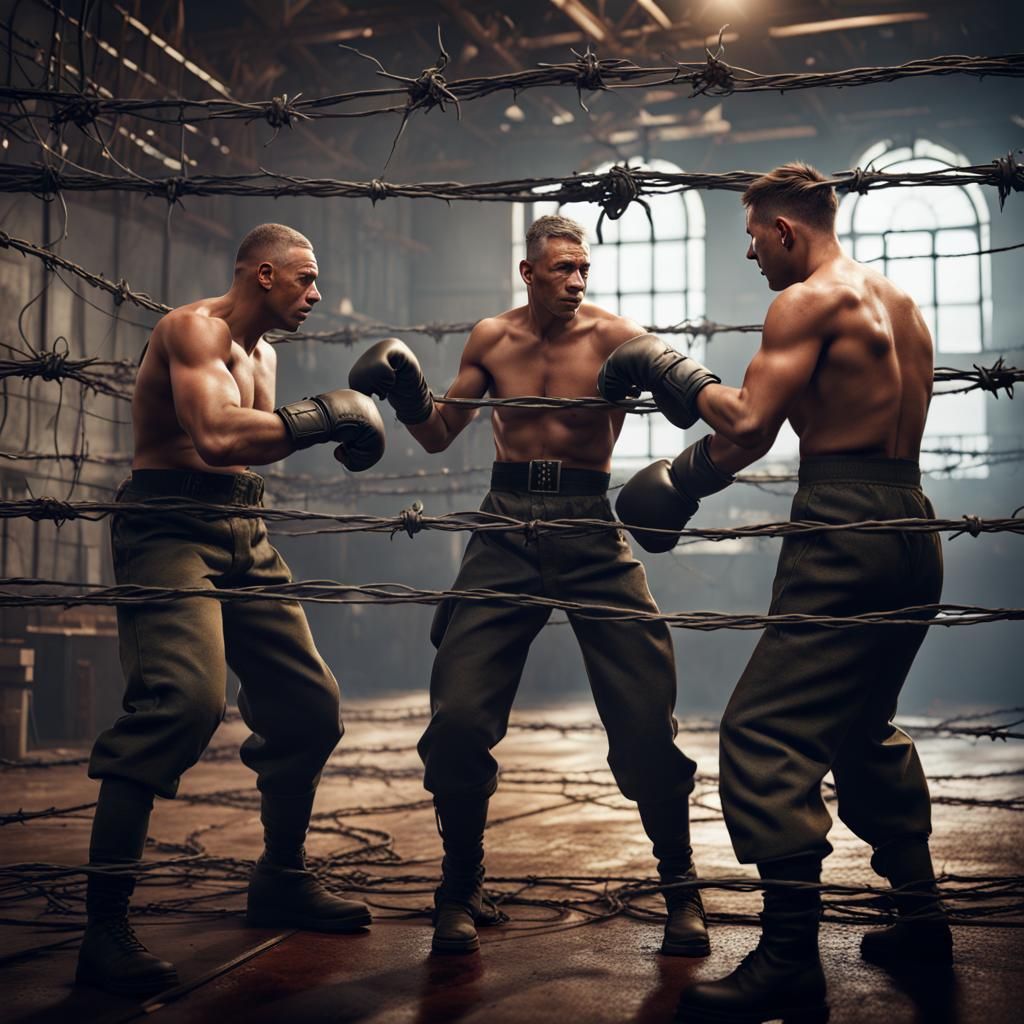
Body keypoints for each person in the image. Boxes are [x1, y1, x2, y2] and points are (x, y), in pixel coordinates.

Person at [599, 163, 950, 1024]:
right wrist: (691, 469)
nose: (752, 255)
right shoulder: (899, 302)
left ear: (786, 229)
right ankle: (924, 917)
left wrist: (673, 379)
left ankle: (790, 958)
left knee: (765, 730)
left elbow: (750, 426)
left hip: (843, 527)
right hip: (912, 521)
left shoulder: (805, 300)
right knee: (861, 727)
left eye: (754, 237)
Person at [347, 214, 708, 958]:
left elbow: (690, 412)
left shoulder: (615, 336)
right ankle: (460, 886)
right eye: (562, 270)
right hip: (505, 521)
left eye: (583, 269)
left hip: (589, 521)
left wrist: (673, 385)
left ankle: (681, 888)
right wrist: (408, 389)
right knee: (457, 719)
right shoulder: (492, 338)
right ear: (529, 272)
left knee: (644, 716)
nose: (576, 282)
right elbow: (442, 432)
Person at [77, 223, 387, 996]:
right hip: (169, 527)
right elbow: (215, 435)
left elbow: (254, 452)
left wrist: (322, 425)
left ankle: (280, 877)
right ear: (263, 274)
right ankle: (103, 930)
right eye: (305, 279)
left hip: (243, 529)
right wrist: (330, 416)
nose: (316, 295)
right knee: (181, 704)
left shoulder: (267, 354)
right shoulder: (190, 328)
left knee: (309, 706)